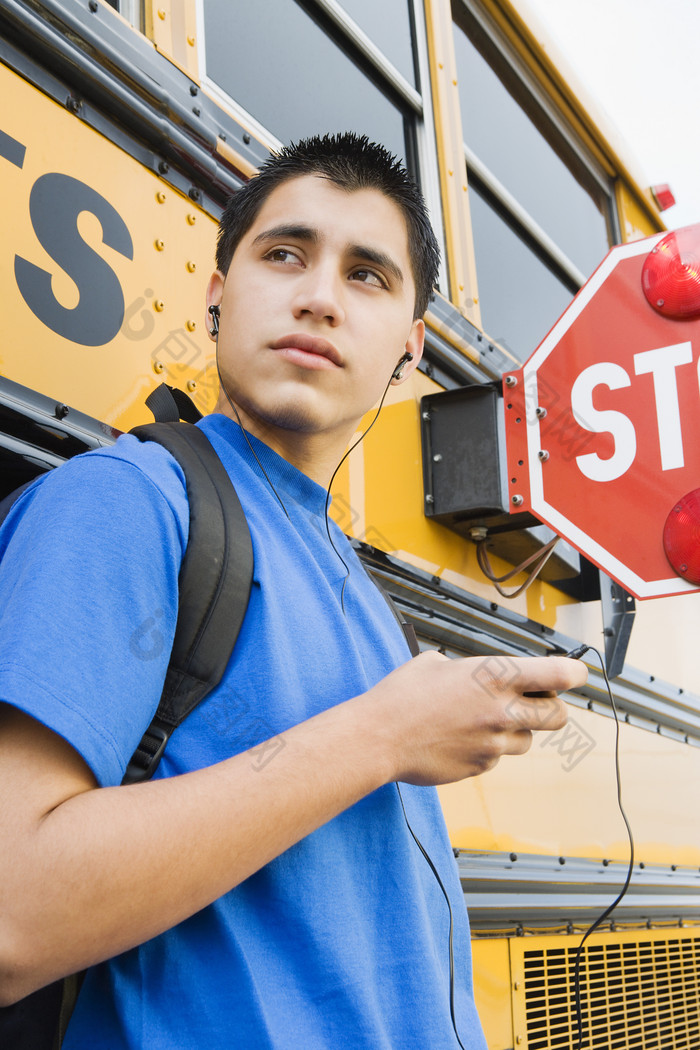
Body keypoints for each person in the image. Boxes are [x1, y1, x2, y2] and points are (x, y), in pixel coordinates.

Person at [0, 132, 587, 1048]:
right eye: (284, 255)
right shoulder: (130, 504)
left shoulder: (353, 578)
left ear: (411, 347)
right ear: (216, 295)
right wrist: (386, 734)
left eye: (367, 276)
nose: (318, 296)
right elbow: (14, 914)